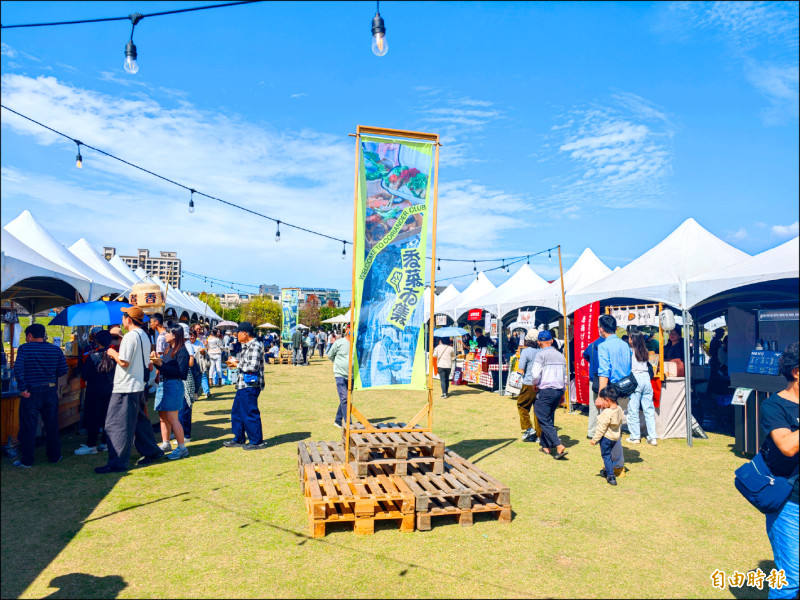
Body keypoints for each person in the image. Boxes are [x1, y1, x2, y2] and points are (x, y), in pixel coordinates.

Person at [96, 306, 163, 473]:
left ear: (128, 319)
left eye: (123, 316)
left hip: (126, 385)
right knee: (139, 421)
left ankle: (117, 462)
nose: (122, 319)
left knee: (116, 424)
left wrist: (112, 353)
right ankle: (152, 451)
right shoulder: (144, 335)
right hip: (138, 384)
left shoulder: (129, 337)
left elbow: (124, 361)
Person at [759, 343, 799, 599]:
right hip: (791, 503)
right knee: (791, 579)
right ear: (796, 372)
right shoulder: (774, 406)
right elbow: (786, 446)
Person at [12, 323, 68, 468]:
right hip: (50, 390)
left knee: (28, 426)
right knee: (51, 425)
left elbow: (18, 368)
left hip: (30, 391)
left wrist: (22, 388)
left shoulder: (25, 348)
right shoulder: (55, 350)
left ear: (29, 336)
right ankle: (54, 456)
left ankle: (27, 460)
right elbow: (63, 369)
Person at [597, 314, 630, 478]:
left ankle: (616, 466)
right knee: (616, 427)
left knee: (609, 431)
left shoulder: (604, 346)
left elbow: (604, 372)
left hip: (611, 392)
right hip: (625, 390)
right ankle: (616, 465)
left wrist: (602, 396)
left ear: (601, 329)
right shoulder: (625, 345)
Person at [223, 322, 265, 449]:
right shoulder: (246, 346)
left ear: (245, 334)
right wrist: (236, 361)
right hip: (243, 384)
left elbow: (253, 366)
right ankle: (239, 438)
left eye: (238, 333)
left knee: (249, 413)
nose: (236, 336)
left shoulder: (255, 346)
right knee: (237, 412)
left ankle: (256, 441)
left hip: (250, 385)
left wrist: (237, 364)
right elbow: (247, 362)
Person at [150, 325, 189, 460]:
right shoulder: (169, 349)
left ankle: (182, 448)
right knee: (163, 416)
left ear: (175, 335)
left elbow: (182, 373)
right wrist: (156, 362)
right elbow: (165, 368)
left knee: (173, 418)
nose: (165, 335)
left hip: (174, 385)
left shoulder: (182, 351)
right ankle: (166, 443)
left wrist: (161, 365)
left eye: (168, 333)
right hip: (164, 383)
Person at [75, 330, 115, 456]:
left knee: (92, 417)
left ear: (97, 341)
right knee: (106, 417)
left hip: (94, 390)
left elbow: (85, 375)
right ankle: (105, 442)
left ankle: (91, 444)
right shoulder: (114, 356)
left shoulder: (92, 357)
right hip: (110, 390)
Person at [531, 330, 568, 460]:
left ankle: (558, 444)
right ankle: (546, 446)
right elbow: (565, 375)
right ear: (552, 341)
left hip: (546, 389)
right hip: (558, 390)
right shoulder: (560, 355)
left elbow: (535, 374)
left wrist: (534, 384)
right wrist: (563, 391)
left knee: (541, 415)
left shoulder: (540, 355)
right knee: (549, 417)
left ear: (539, 342)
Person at [626, 332, 657, 446]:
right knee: (649, 409)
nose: (628, 340)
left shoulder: (630, 351)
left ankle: (635, 436)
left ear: (633, 339)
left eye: (630, 338)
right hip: (646, 379)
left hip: (636, 378)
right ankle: (652, 437)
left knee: (633, 409)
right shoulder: (645, 351)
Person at [590, 385, 624, 486]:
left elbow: (601, 429)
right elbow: (621, 420)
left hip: (606, 438)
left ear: (607, 400)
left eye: (603, 400)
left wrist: (594, 439)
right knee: (611, 455)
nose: (602, 403)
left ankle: (610, 475)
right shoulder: (619, 409)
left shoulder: (606, 413)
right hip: (615, 437)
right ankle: (609, 471)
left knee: (606, 456)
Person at [516, 331, 542, 443]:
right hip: (541, 383)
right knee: (538, 410)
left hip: (529, 382)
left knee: (522, 405)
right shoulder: (541, 351)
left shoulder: (526, 351)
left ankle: (529, 428)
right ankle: (539, 435)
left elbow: (521, 367)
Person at [582, 332, 606, 439]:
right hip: (606, 378)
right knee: (607, 405)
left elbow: (585, 355)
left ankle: (591, 432)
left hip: (594, 378)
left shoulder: (592, 345)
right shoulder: (609, 344)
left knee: (593, 406)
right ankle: (605, 431)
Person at [327, 327, 350, 427]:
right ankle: (349, 424)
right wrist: (337, 364)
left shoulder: (357, 343)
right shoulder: (340, 342)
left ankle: (338, 420)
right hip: (340, 374)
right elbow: (330, 355)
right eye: (351, 328)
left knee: (346, 398)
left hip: (352, 375)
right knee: (344, 398)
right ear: (347, 330)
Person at [190, 329, 211, 398]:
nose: (192, 337)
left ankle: (206, 392)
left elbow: (204, 352)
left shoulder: (199, 343)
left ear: (196, 336)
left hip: (199, 363)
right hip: (190, 363)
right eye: (191, 335)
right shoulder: (186, 343)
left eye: (193, 336)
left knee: (203, 376)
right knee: (193, 378)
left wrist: (202, 351)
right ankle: (194, 393)